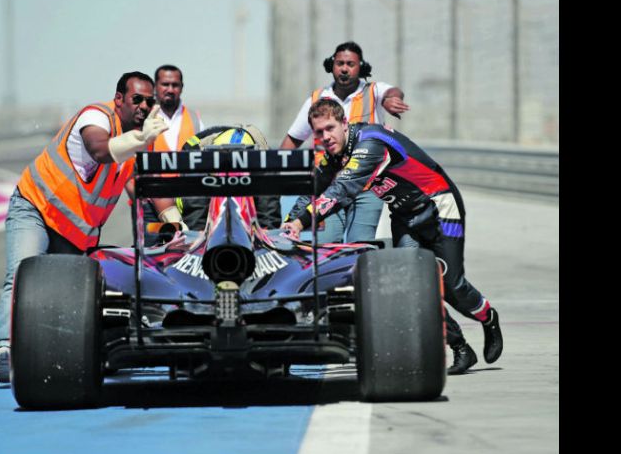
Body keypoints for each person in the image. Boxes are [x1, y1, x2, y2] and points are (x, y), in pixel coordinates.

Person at [282, 99, 503, 375]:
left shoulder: (370, 143)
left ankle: (488, 316)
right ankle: (460, 348)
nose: (325, 137)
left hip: (440, 206)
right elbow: (315, 187)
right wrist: (291, 221)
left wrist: (305, 220)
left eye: (329, 128)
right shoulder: (336, 153)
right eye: (318, 133)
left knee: (451, 283)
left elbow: (342, 190)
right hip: (403, 215)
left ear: (344, 124)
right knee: (414, 287)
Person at [0, 71, 179, 383]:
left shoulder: (141, 141)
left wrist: (174, 220)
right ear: (119, 99)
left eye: (149, 101)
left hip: (74, 232)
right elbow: (100, 151)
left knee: (69, 296)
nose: (144, 107)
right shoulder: (96, 116)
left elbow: (146, 185)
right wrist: (140, 138)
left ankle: (58, 353)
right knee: (22, 274)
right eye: (137, 99)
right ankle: (4, 350)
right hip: (36, 207)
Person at [280, 41, 410, 243]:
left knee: (360, 244)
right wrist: (278, 177)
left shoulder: (373, 92)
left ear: (361, 67)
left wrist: (388, 101)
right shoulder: (317, 99)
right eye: (340, 63)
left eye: (350, 64)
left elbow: (392, 91)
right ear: (331, 65)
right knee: (327, 245)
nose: (344, 69)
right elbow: (293, 140)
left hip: (366, 186)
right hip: (328, 186)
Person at [176, 125, 282, 230]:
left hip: (256, 165)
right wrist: (196, 231)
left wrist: (268, 231)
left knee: (268, 219)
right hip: (199, 161)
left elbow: (269, 214)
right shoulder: (196, 157)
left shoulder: (265, 163)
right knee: (196, 221)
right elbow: (195, 210)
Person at [139, 65, 204, 234]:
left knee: (187, 251)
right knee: (153, 255)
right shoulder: (143, 118)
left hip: (188, 205)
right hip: (151, 208)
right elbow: (131, 166)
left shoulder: (195, 119)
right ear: (155, 87)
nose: (170, 89)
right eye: (165, 84)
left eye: (175, 85)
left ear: (181, 87)